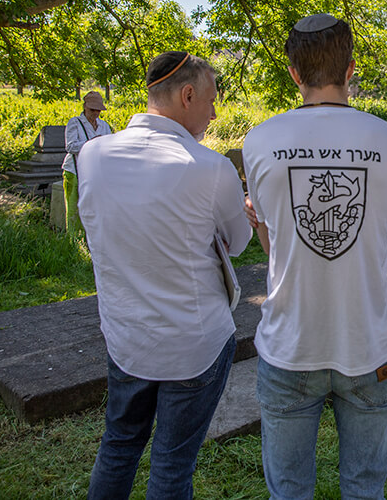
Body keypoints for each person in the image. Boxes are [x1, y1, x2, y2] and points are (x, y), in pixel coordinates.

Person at [242, 14, 387, 499]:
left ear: (294, 73)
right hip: (368, 343)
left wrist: (260, 223)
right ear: (352, 68)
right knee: (364, 490)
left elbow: (275, 248)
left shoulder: (258, 142)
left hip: (291, 344)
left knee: (289, 492)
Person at [77, 51, 252, 499]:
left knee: (118, 446)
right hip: (192, 342)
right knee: (172, 464)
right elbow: (236, 242)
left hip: (126, 335)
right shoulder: (211, 168)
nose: (214, 113)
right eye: (211, 100)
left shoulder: (93, 155)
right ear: (187, 95)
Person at [62, 90, 113, 234]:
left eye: (98, 110)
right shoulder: (75, 123)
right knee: (73, 206)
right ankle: (74, 239)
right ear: (85, 107)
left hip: (94, 171)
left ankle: (89, 237)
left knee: (91, 207)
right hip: (74, 170)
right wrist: (92, 143)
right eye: (92, 109)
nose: (96, 113)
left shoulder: (104, 126)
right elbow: (70, 146)